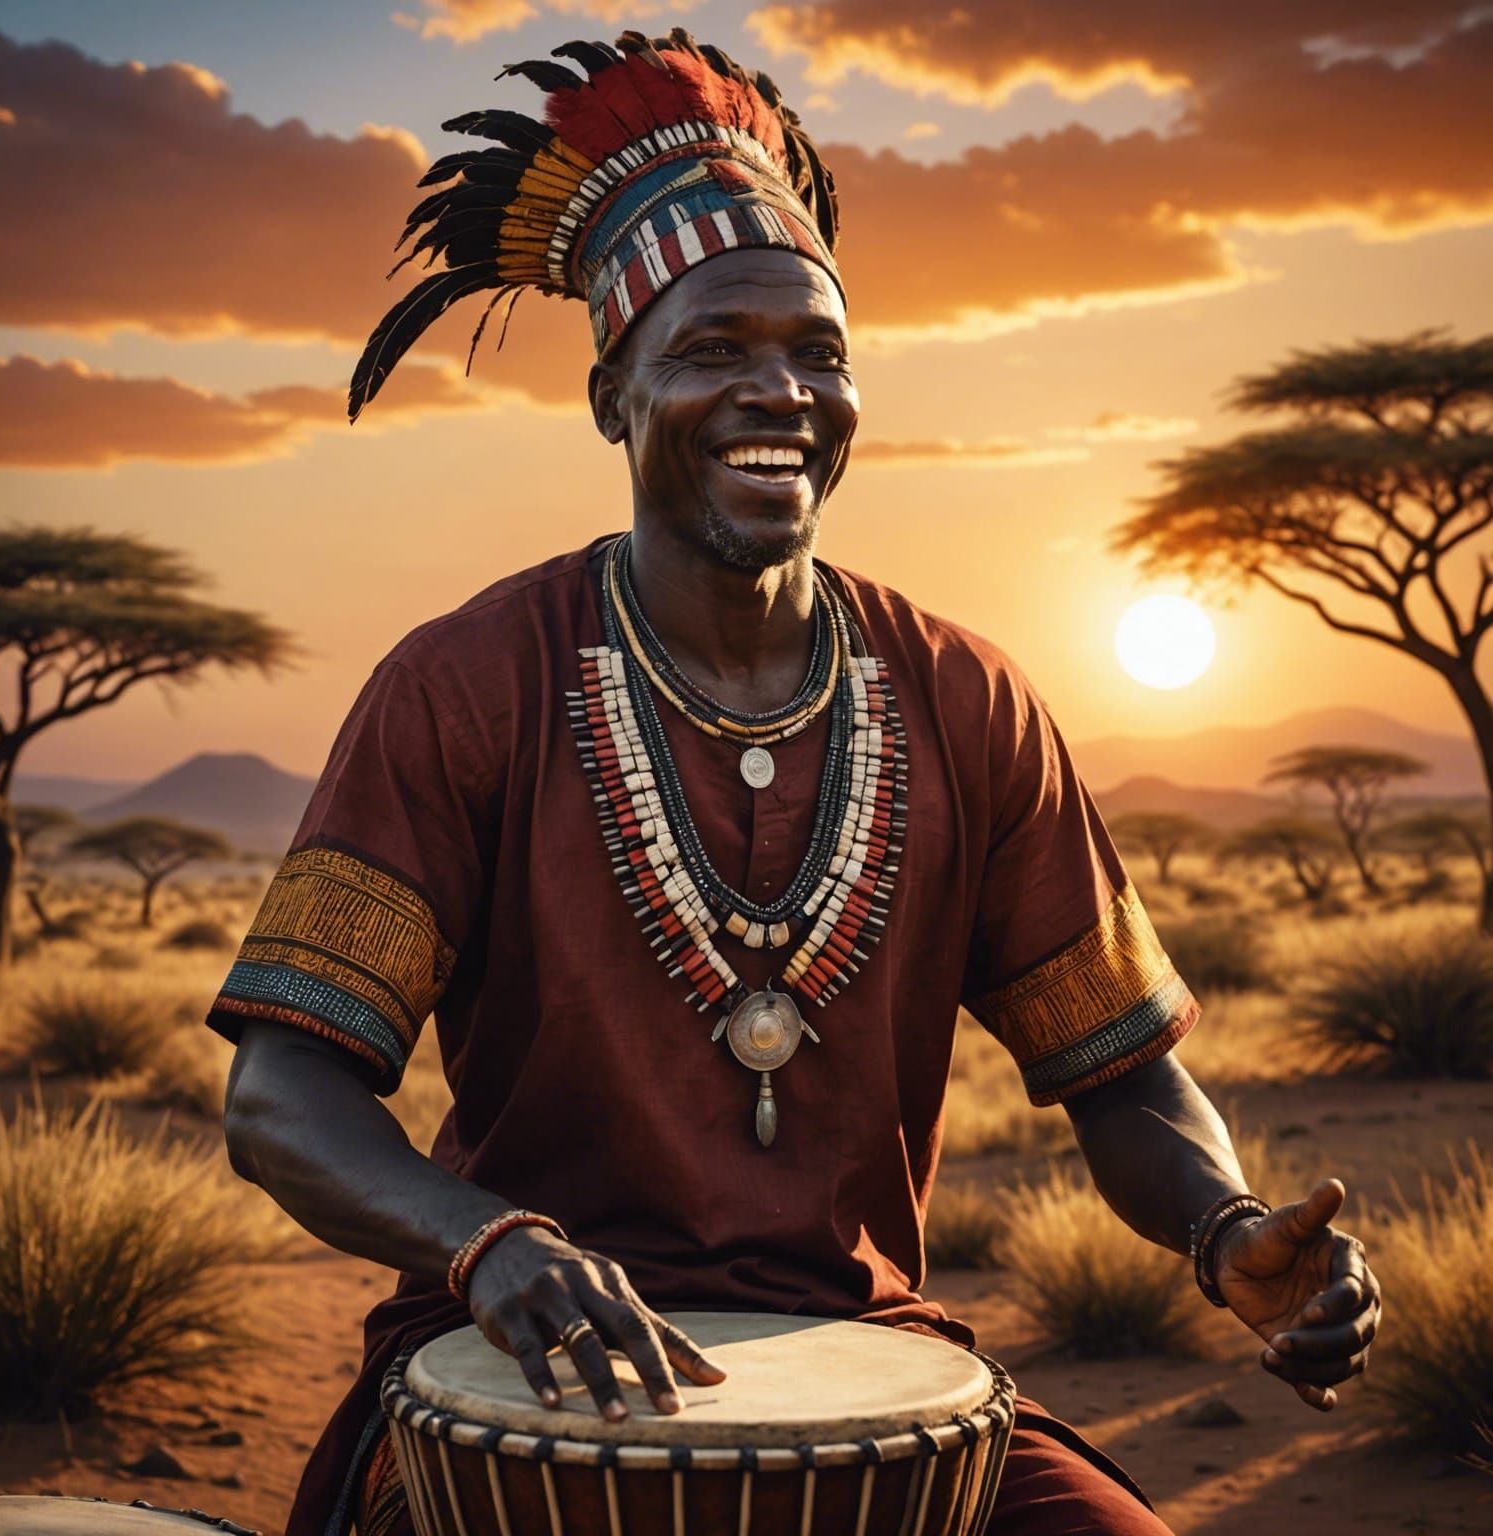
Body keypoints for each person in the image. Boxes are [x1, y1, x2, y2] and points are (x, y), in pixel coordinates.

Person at [211, 30, 1381, 1536]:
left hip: (874, 1378)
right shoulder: (463, 685)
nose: (780, 392)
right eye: (713, 352)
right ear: (612, 395)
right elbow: (279, 1094)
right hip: (519, 1373)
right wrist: (485, 1243)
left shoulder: (970, 701)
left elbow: (1125, 1077)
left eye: (817, 355)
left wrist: (1226, 1229)